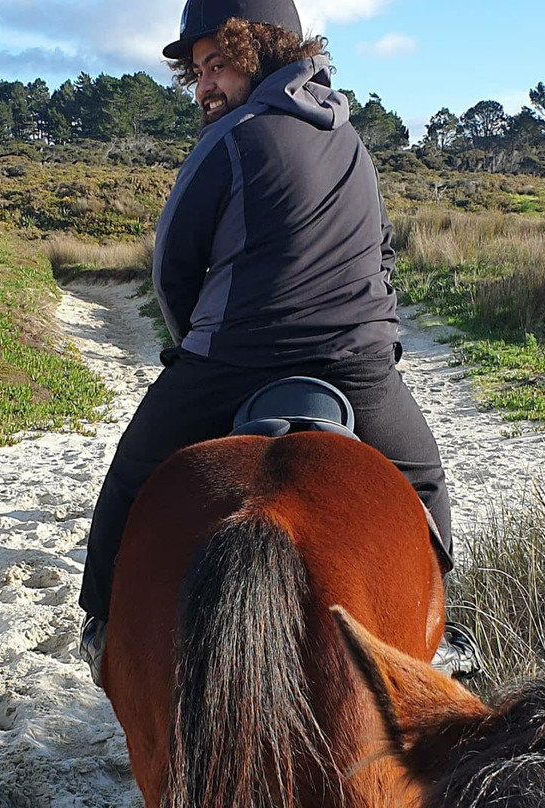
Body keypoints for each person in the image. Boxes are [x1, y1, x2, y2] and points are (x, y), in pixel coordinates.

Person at [77, 0, 480, 684]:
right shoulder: (352, 141)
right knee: (421, 479)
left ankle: (102, 623)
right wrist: (375, 336)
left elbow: (173, 266)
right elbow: (382, 250)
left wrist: (194, 345)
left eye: (218, 64)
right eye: (199, 71)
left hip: (232, 361)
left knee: (133, 472)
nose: (205, 84)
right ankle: (437, 641)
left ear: (261, 49)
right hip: (357, 366)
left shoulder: (230, 138)